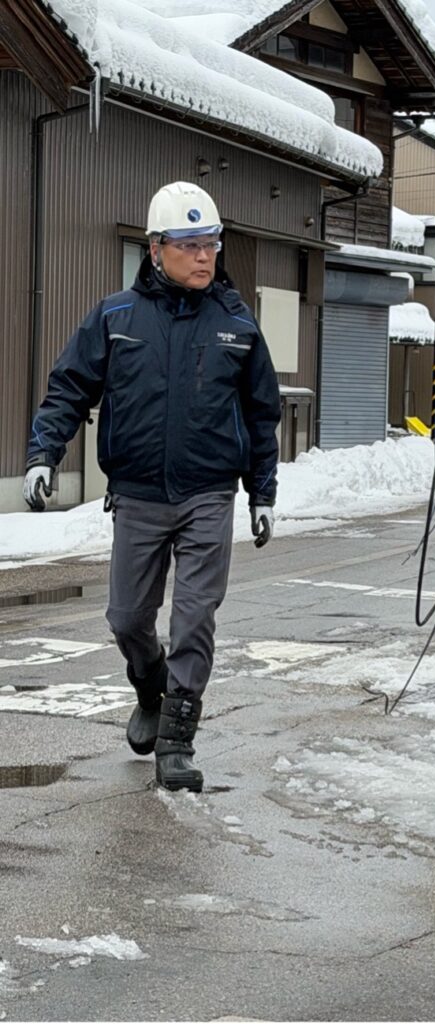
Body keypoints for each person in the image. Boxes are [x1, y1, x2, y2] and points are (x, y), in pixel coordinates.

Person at [23, 181, 281, 792]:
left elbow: (262, 413)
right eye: (190, 245)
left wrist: (262, 492)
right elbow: (69, 388)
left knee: (194, 617)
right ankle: (150, 685)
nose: (204, 257)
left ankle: (178, 739)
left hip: (208, 494)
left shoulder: (237, 326)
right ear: (157, 247)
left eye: (212, 244)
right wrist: (43, 454)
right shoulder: (115, 317)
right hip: (137, 494)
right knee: (126, 619)